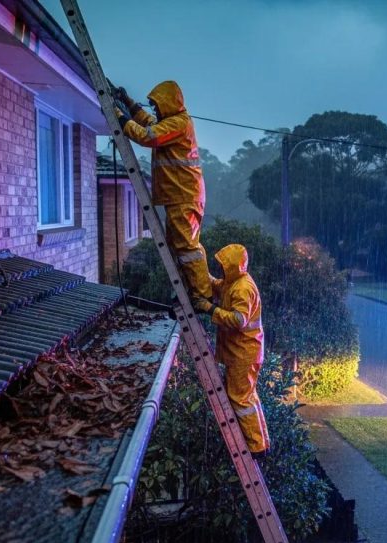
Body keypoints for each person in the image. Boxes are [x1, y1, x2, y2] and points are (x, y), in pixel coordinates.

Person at [114, 81, 212, 313]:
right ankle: (189, 294)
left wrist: (120, 117)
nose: (155, 111)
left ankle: (202, 296)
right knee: (180, 248)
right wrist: (129, 103)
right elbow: (151, 123)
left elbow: (149, 136)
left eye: (158, 105)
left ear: (168, 103)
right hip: (179, 195)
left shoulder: (180, 123)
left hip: (183, 195)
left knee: (187, 248)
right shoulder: (174, 122)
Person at [208, 243, 270, 458]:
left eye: (224, 265)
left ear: (234, 267)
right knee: (247, 396)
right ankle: (260, 442)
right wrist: (202, 278)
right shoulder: (234, 282)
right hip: (242, 352)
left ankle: (255, 447)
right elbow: (220, 286)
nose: (221, 269)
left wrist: (211, 309)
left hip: (244, 354)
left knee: (240, 399)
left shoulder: (244, 288)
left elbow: (238, 319)